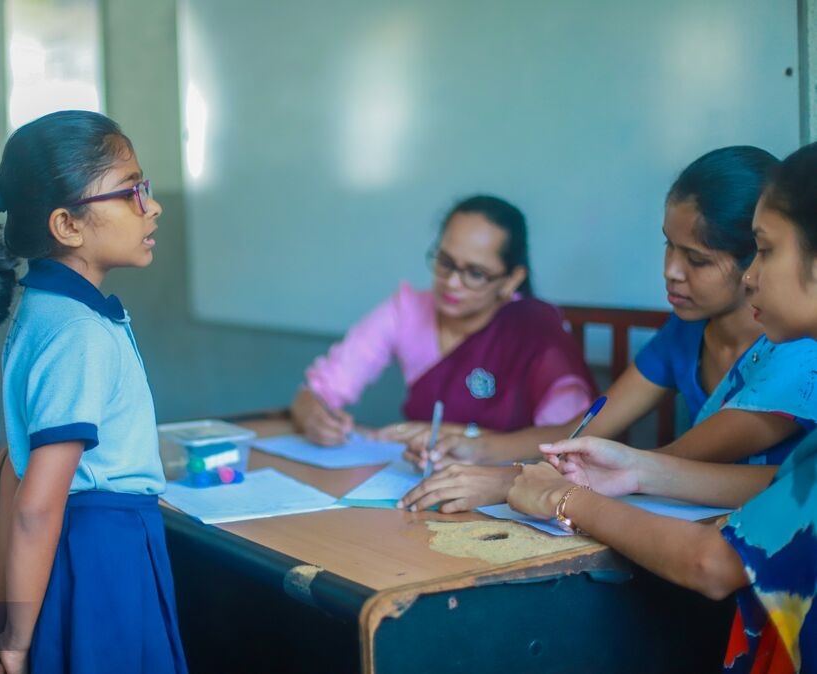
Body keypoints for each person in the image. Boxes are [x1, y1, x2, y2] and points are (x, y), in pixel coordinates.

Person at [507, 141, 817, 674]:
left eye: (764, 250)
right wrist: (637, 469)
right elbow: (786, 486)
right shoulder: (688, 333)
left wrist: (565, 500)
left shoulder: (795, 361)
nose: (749, 276)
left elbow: (713, 564)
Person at [400, 146, 817, 513]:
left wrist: (512, 479)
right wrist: (477, 449)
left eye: (697, 259)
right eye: (668, 245)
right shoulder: (686, 330)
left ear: (751, 260)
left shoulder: (800, 350)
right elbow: (586, 428)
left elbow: (658, 466)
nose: (671, 271)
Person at [0, 110, 187, 674]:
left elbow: (11, 468)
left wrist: (4, 609)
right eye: (130, 193)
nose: (153, 205)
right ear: (67, 226)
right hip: (101, 554)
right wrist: (17, 635)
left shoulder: (45, 312)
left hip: (72, 552)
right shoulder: (78, 333)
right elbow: (38, 504)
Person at [291, 195, 597, 446]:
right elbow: (318, 390)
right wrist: (313, 417)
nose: (451, 282)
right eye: (445, 263)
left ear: (510, 280)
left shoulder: (535, 331)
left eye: (475, 274)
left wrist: (461, 437)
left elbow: (570, 437)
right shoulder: (406, 310)